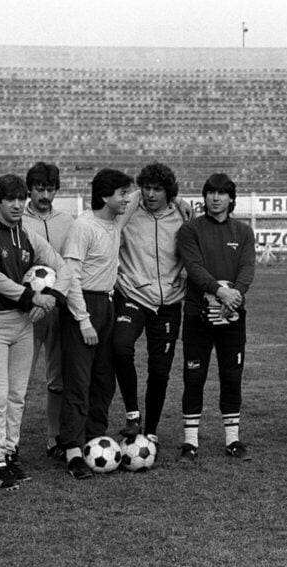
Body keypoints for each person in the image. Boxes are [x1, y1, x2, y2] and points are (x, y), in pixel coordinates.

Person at [0, 174, 70, 490]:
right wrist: (31, 297)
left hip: (23, 324)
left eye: (20, 199)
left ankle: (9, 451)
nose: (16, 205)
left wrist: (52, 296)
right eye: (10, 199)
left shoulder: (26, 232)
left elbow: (61, 266)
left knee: (17, 394)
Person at [59, 169, 133, 479]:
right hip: (83, 305)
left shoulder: (115, 221)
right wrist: (83, 320)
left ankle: (94, 437)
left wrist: (179, 203)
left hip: (108, 304)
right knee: (79, 380)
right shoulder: (83, 226)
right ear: (105, 196)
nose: (127, 199)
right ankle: (73, 451)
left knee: (104, 378)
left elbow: (140, 197)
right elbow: (70, 275)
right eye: (121, 194)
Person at [177, 173, 255, 461]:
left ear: (231, 198)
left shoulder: (243, 231)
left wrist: (235, 295)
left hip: (232, 316)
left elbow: (247, 268)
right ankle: (190, 442)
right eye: (211, 192)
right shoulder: (190, 230)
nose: (215, 198)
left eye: (222, 193)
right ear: (205, 197)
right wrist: (219, 291)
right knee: (194, 377)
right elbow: (194, 267)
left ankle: (233, 440)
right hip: (198, 315)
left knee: (231, 377)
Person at [112, 163, 186, 444]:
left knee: (160, 370)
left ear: (169, 192)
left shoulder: (182, 217)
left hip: (169, 302)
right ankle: (133, 415)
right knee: (120, 346)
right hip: (133, 295)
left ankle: (151, 431)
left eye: (157, 189)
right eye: (146, 188)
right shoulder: (128, 212)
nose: (150, 194)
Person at [23, 162, 74, 460]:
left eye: (50, 189)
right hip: (27, 311)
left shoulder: (67, 221)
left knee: (58, 377)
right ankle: (9, 443)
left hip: (58, 309)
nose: (44, 195)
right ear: (29, 189)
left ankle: (54, 437)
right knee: (19, 378)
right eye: (39, 189)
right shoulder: (18, 220)